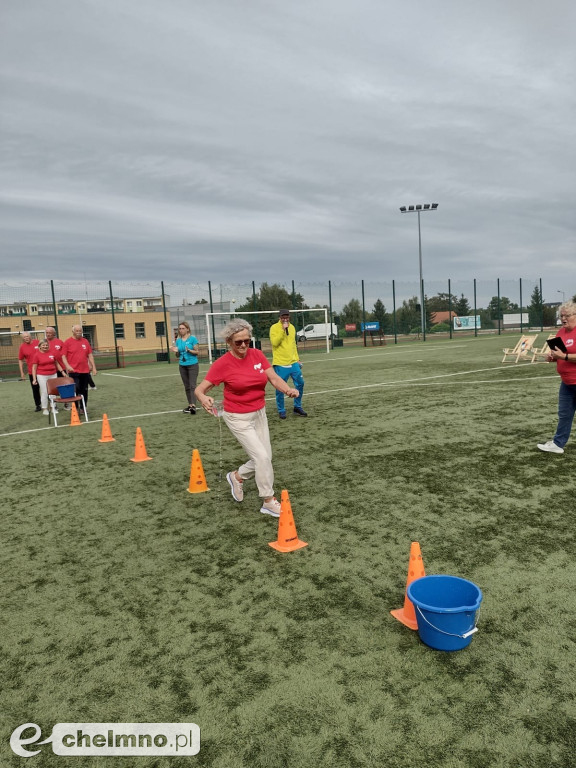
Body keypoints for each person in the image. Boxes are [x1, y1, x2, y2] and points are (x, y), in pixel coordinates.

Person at [195, 318, 299, 517]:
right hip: (237, 416)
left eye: (247, 341)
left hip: (259, 412)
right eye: (238, 342)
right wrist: (203, 397)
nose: (243, 345)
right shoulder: (222, 364)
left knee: (266, 457)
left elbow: (274, 378)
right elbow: (200, 389)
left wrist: (287, 390)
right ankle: (268, 500)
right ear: (229, 342)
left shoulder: (257, 355)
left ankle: (237, 476)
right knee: (261, 457)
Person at [537, 301, 576, 454]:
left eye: (567, 315)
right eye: (561, 316)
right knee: (564, 415)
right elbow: (558, 354)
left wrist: (564, 356)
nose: (563, 318)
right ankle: (558, 444)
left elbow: (565, 355)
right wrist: (553, 357)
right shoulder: (561, 332)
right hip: (566, 383)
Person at [269, 309, 307, 419]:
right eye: (283, 317)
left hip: (293, 362)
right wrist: (282, 330)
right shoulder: (274, 328)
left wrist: (297, 359)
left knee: (300, 383)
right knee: (280, 387)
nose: (285, 319)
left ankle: (297, 406)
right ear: (279, 318)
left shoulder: (293, 327)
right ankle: (281, 410)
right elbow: (274, 343)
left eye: (287, 317)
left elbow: (293, 345)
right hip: (280, 362)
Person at [61, 325, 97, 412]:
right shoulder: (67, 342)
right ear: (73, 331)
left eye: (80, 330)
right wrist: (68, 366)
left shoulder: (85, 341)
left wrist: (94, 367)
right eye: (76, 330)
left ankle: (83, 408)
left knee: (84, 390)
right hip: (73, 371)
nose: (78, 332)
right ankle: (75, 407)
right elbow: (63, 356)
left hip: (85, 370)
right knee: (76, 389)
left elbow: (90, 355)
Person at [171, 321, 199, 414]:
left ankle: (194, 406)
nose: (181, 330)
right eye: (180, 328)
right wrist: (176, 351)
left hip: (193, 365)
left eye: (183, 328)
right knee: (187, 386)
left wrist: (189, 350)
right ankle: (190, 404)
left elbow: (197, 352)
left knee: (192, 386)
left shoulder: (193, 339)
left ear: (187, 329)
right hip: (182, 366)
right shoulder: (178, 341)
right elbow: (177, 355)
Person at [31, 339, 66, 415]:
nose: (45, 346)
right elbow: (34, 368)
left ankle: (53, 407)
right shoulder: (36, 355)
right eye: (43, 345)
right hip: (42, 375)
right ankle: (45, 408)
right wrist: (34, 379)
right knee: (45, 392)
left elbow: (57, 364)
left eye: (46, 345)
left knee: (53, 392)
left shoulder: (52, 353)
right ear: (40, 346)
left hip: (53, 374)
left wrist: (62, 372)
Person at [18, 332, 42, 411]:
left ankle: (51, 403)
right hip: (32, 372)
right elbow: (20, 360)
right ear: (23, 338)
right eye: (24, 337)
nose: (26, 338)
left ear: (30, 336)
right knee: (35, 389)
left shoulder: (38, 342)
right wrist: (22, 373)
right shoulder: (22, 347)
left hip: (43, 370)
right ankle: (38, 405)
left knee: (46, 387)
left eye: (27, 336)